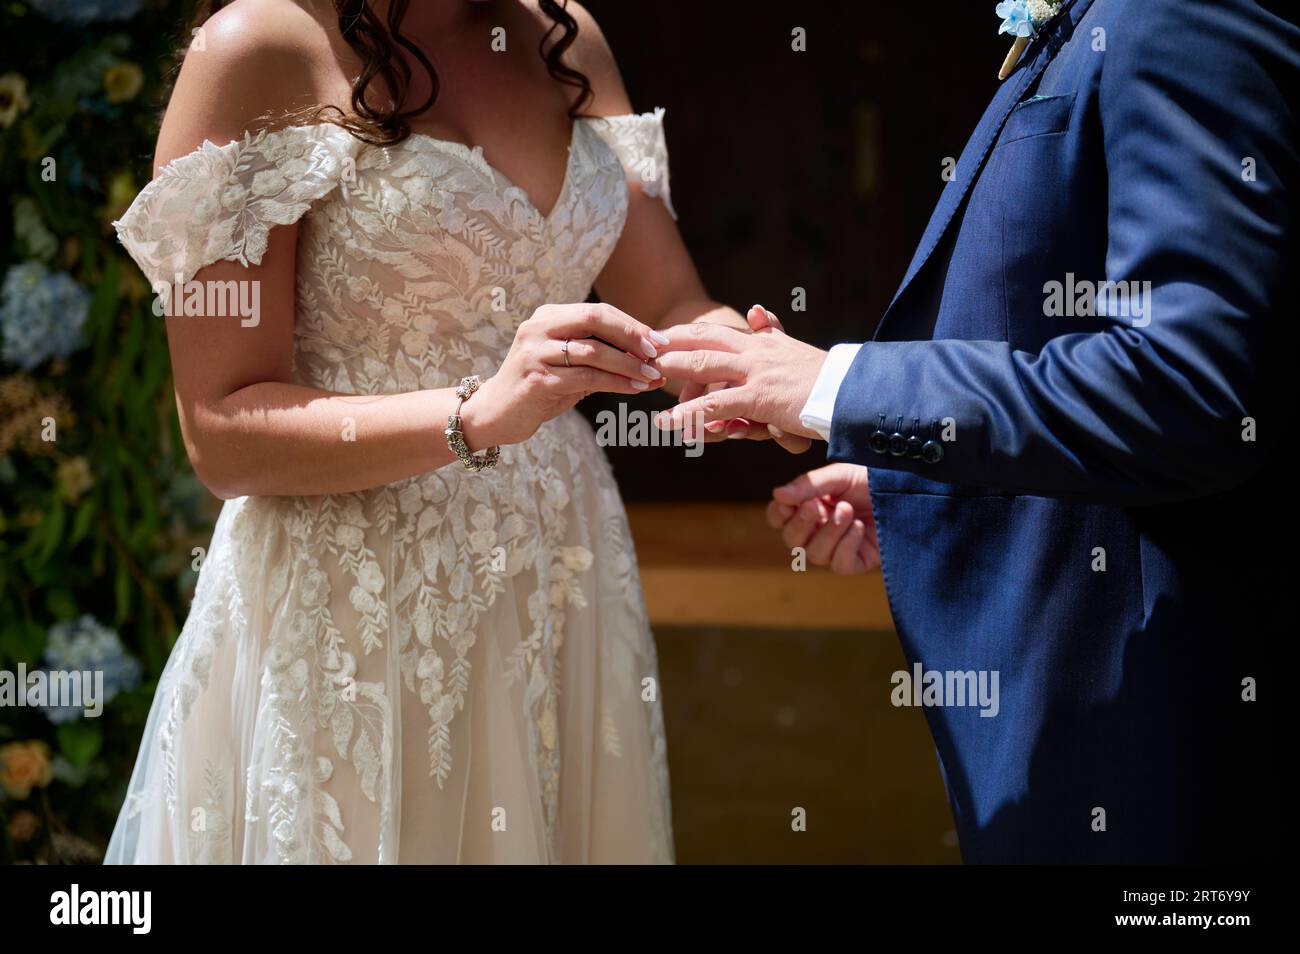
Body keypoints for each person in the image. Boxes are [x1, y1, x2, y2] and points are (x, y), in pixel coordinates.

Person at [104, 0, 787, 864]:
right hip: (360, 607)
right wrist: (475, 414)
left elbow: (671, 303)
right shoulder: (259, 49)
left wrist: (767, 374)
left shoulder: (560, 32)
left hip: (560, 571)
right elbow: (220, 430)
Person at [654, 0, 1294, 862]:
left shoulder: (1181, 11)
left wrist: (838, 385)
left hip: (1164, 748)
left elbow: (1194, 390)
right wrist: (920, 487)